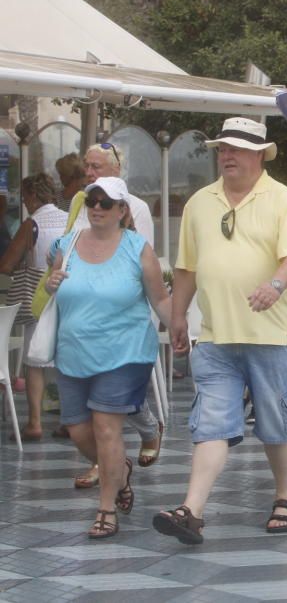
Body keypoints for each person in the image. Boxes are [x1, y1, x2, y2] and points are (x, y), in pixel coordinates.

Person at [154, 117, 287, 544]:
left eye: (237, 149)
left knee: (276, 422)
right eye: (223, 148)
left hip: (267, 335)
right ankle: (192, 510)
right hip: (215, 335)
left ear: (260, 155)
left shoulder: (280, 199)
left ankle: (285, 497)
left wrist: (276, 284)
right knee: (211, 422)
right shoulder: (199, 202)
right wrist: (179, 316)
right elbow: (186, 267)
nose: (227, 155)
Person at [45, 177, 170, 538]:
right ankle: (119, 471)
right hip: (73, 351)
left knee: (105, 427)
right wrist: (51, 281)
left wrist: (178, 328)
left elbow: (159, 298)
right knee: (79, 431)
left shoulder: (138, 249)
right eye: (92, 201)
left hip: (125, 351)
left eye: (105, 202)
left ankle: (105, 510)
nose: (96, 207)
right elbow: (50, 279)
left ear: (122, 210)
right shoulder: (65, 244)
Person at [69, 143, 162, 488]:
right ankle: (108, 462)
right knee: (94, 406)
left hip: (121, 323)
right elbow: (68, 248)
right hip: (82, 320)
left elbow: (142, 259)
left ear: (116, 170)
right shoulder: (79, 202)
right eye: (87, 167)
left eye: (97, 166)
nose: (90, 174)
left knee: (114, 401)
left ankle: (141, 438)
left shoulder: (134, 207)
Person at [0, 175, 69, 441]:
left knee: (34, 362)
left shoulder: (32, 224)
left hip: (38, 297)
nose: (25, 202)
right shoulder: (68, 220)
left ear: (32, 196)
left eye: (26, 197)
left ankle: (35, 423)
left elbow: (6, 264)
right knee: (65, 360)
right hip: (66, 294)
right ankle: (68, 420)